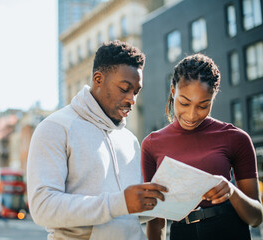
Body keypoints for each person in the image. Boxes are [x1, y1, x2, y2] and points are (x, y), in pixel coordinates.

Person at [27, 40, 168, 239]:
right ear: (98, 79)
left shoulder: (130, 140)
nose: (132, 99)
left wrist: (163, 201)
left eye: (136, 92)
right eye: (124, 88)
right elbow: (43, 207)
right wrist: (120, 203)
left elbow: (128, 213)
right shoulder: (55, 128)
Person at [141, 53, 263, 240]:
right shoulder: (151, 145)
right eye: (184, 103)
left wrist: (232, 192)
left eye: (203, 106)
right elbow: (156, 219)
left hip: (229, 230)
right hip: (181, 233)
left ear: (213, 98)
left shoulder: (236, 138)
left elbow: (256, 218)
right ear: (173, 92)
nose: (191, 115)